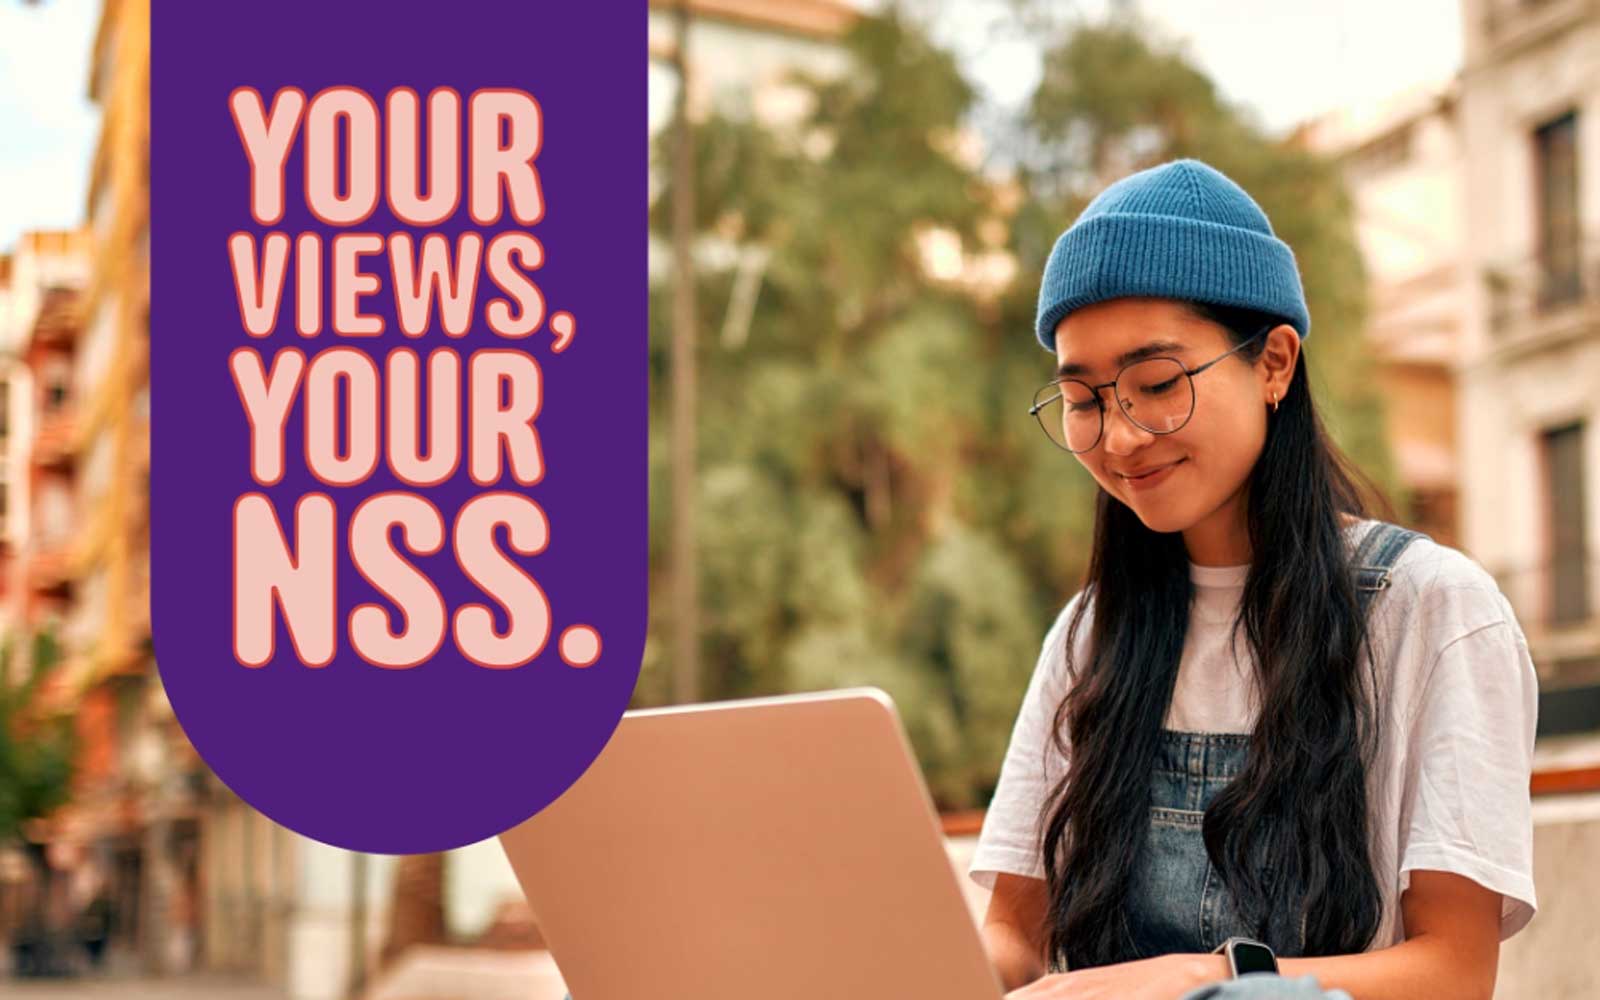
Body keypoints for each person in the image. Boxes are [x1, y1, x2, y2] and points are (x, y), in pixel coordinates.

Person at [968, 159, 1538, 1000]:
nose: (1120, 438)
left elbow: (1453, 974)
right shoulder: (1089, 635)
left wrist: (1201, 980)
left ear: (1274, 363)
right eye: (1084, 400)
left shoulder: (1432, 610)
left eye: (1157, 385)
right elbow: (1016, 936)